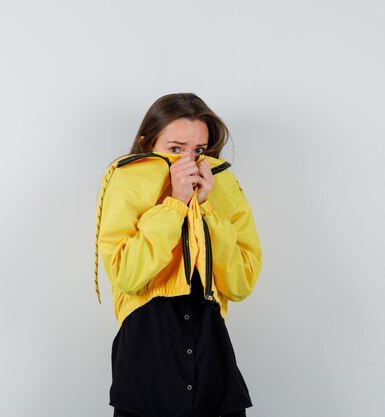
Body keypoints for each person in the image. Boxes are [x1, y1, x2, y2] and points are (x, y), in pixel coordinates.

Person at [93, 93, 263, 417]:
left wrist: (204, 208)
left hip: (214, 368)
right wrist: (174, 204)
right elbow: (127, 275)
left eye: (198, 150)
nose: (189, 162)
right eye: (175, 149)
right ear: (147, 144)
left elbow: (241, 283)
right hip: (146, 367)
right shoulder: (125, 183)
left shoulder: (222, 186)